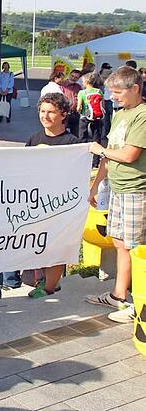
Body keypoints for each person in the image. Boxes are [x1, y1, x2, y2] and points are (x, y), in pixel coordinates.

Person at [86, 66, 145, 323]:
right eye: (112, 92)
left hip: (136, 190)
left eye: (118, 92)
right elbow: (109, 154)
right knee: (120, 242)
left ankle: (137, 300)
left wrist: (99, 149)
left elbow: (130, 154)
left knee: (134, 246)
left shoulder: (142, 115)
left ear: (135, 88)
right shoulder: (121, 114)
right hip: (118, 189)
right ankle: (119, 294)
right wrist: (96, 185)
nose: (114, 97)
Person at [25, 93, 80, 298]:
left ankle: (48, 288)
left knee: (56, 249)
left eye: (51, 112)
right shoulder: (34, 139)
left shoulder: (71, 142)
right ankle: (45, 283)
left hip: (59, 207)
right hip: (36, 205)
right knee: (39, 246)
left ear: (63, 114)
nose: (45, 116)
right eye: (42, 111)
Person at [77, 73, 105, 167]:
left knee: (83, 138)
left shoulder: (82, 93)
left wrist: (81, 112)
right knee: (96, 139)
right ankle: (95, 162)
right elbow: (102, 105)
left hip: (85, 118)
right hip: (97, 118)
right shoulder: (99, 91)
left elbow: (79, 107)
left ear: (86, 82)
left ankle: (82, 161)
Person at [61, 69, 84, 135]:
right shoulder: (62, 85)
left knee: (75, 133)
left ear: (78, 78)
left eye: (76, 77)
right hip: (65, 112)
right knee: (62, 132)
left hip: (75, 113)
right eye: (72, 76)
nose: (73, 78)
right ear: (69, 75)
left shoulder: (78, 87)